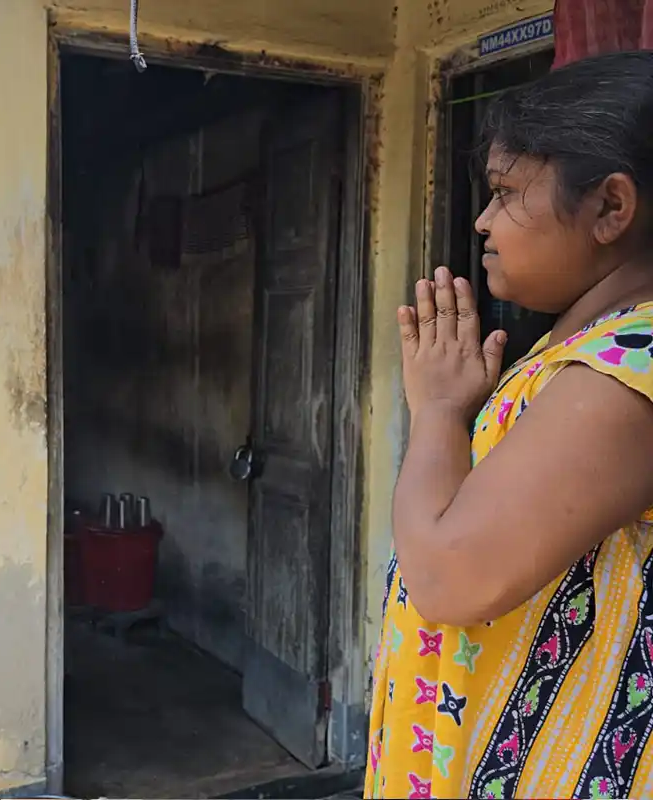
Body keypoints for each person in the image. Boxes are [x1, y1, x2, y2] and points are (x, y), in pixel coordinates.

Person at [368, 51, 653, 799]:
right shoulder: (581, 350)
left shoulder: (631, 367)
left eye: (504, 194)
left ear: (610, 209)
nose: (482, 222)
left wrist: (436, 411)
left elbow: (449, 577)